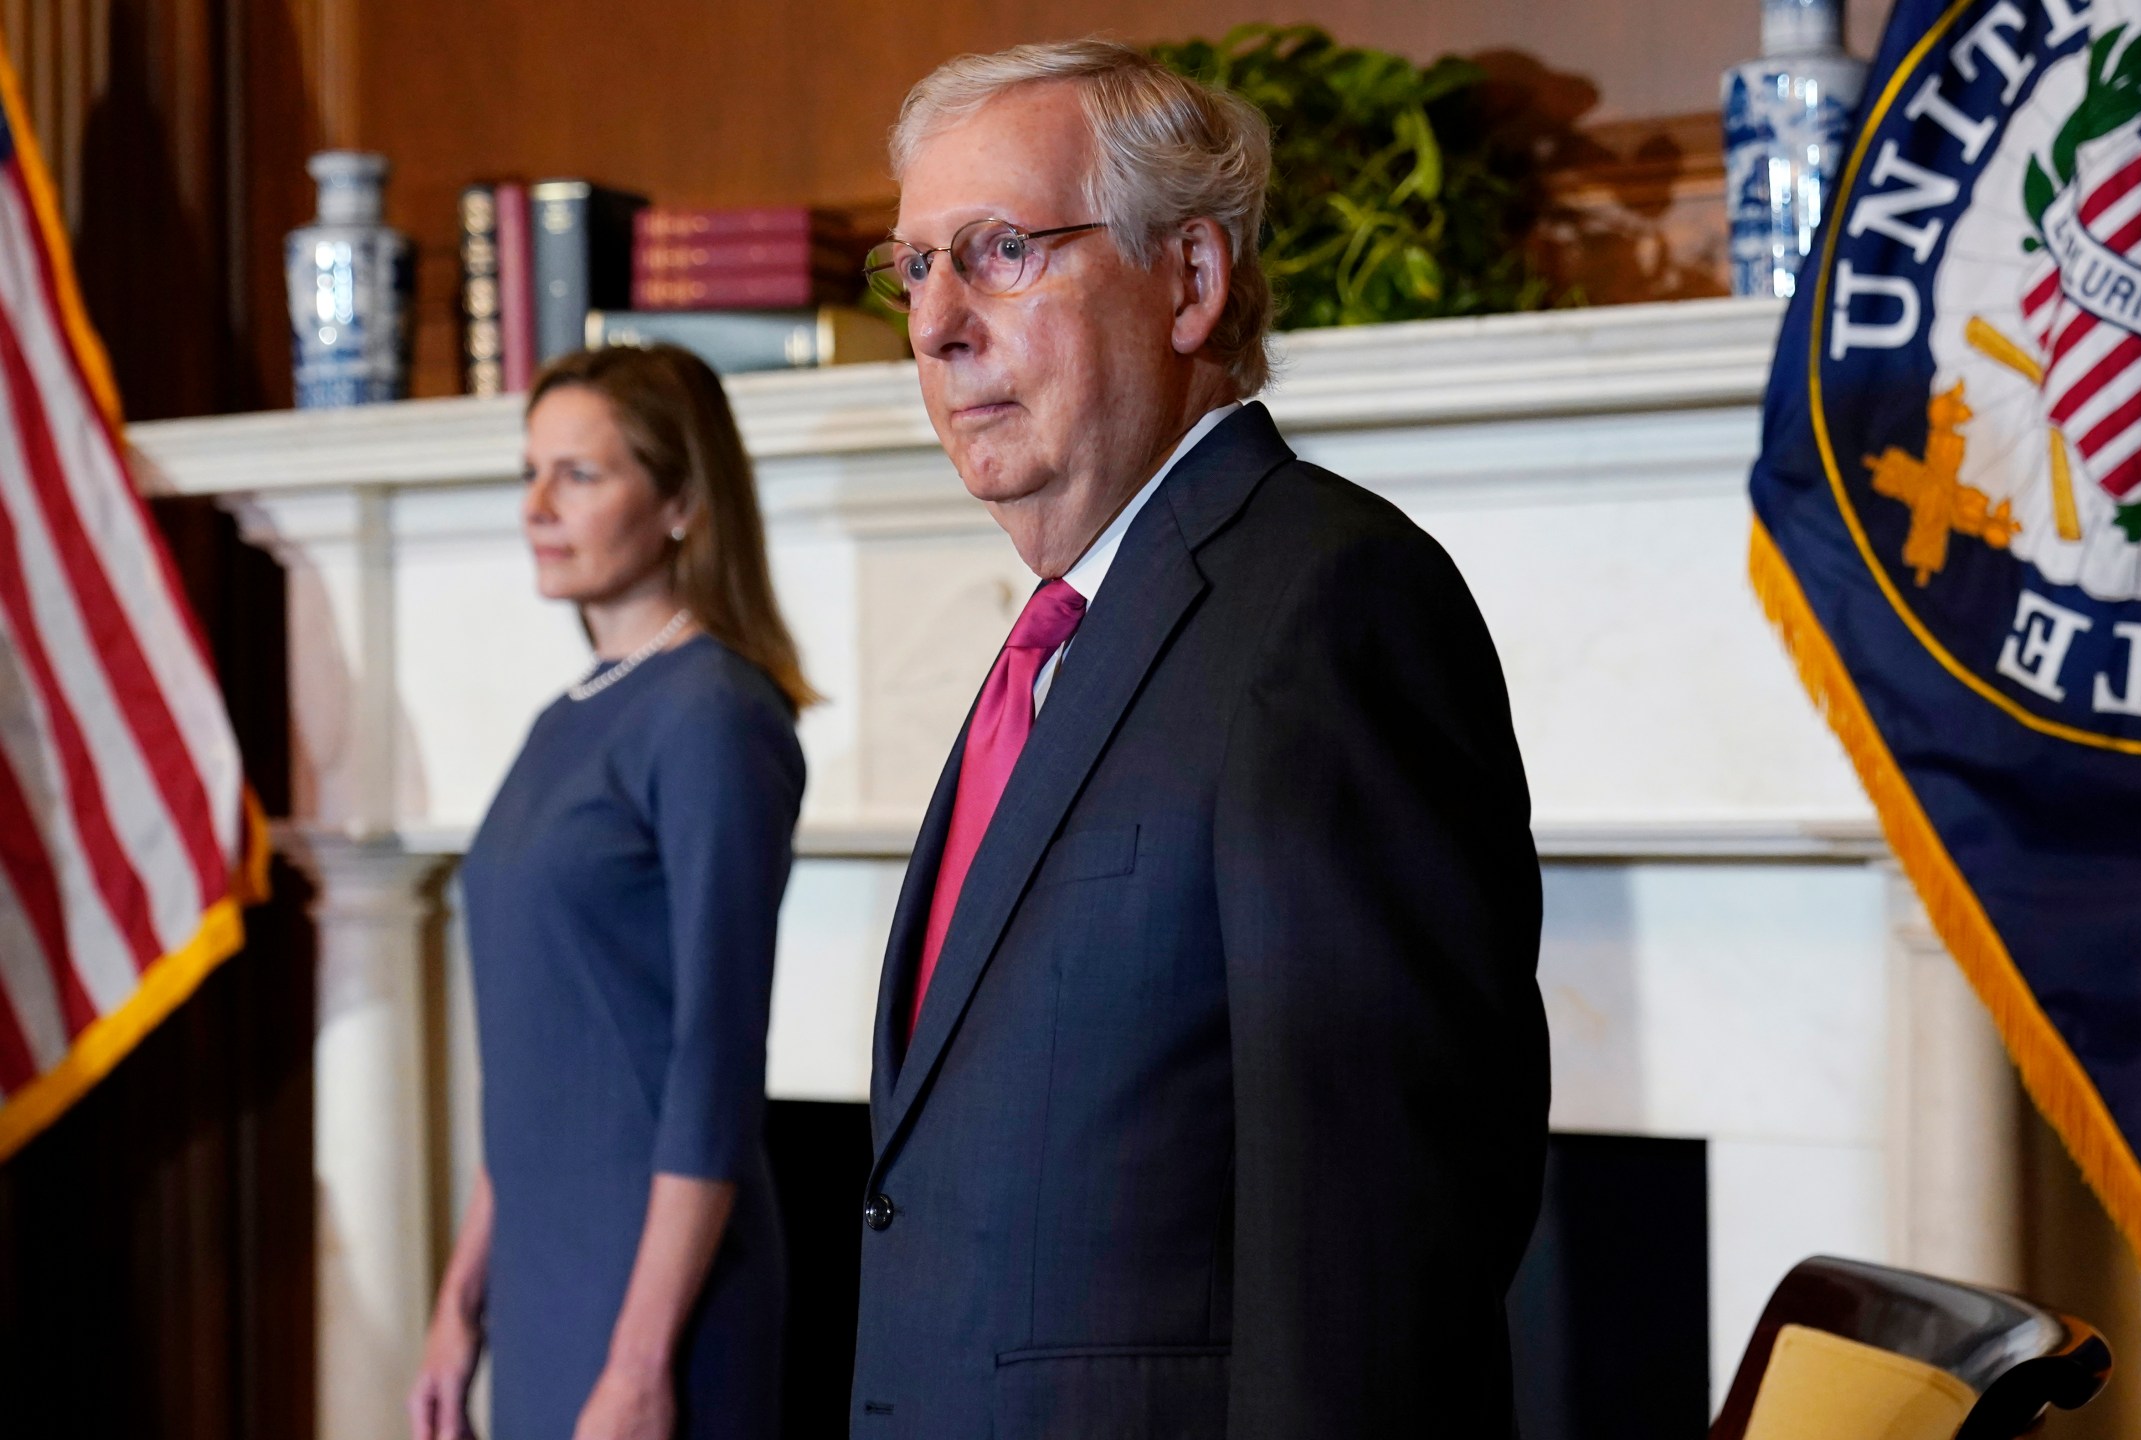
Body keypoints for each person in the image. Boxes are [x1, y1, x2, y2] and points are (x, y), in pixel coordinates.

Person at [851, 40, 1549, 1438]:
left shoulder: (1328, 605)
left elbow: (1377, 1244)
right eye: (915, 267)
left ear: (1191, 280)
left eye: (998, 251)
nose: (936, 324)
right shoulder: (1065, 635)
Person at [409, 344, 816, 1440]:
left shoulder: (714, 717)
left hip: (661, 1310)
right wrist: (460, 1299)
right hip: (545, 1285)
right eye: (531, 473)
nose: (537, 506)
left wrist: (641, 1365)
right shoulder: (564, 719)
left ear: (683, 499)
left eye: (580, 475)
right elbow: (542, 1059)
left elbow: (714, 1067)